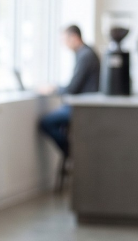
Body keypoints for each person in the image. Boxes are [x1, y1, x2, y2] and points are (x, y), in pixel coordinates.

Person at [37, 24, 100, 158]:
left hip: (82, 108)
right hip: (80, 105)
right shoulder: (84, 53)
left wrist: (53, 88)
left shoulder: (85, 56)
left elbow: (72, 89)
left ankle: (73, 154)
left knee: (46, 123)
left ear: (74, 37)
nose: (64, 44)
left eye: (64, 40)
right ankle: (74, 154)